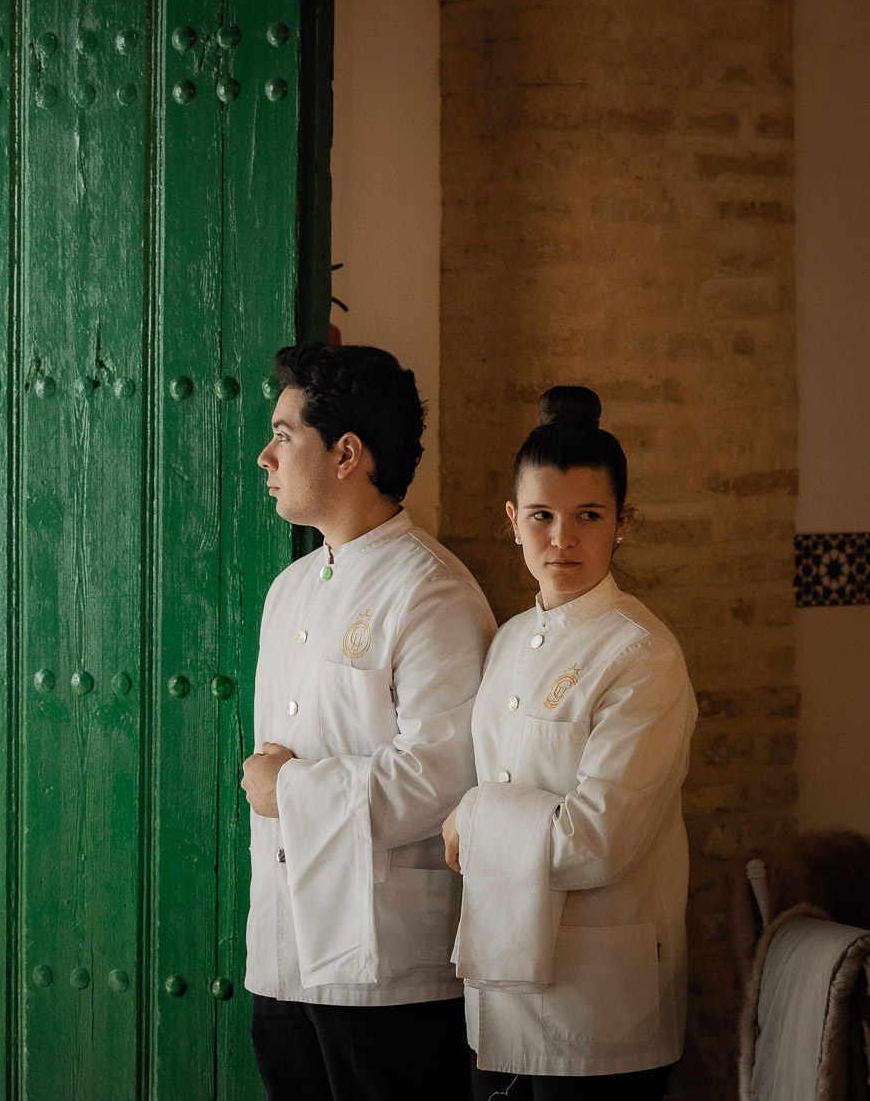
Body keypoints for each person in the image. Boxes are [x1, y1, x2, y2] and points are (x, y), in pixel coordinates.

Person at [240, 343, 496, 1100]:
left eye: (284, 435)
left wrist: (290, 791)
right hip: (283, 957)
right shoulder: (288, 590)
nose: (266, 457)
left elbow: (443, 775)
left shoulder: (433, 593)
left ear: (347, 454)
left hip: (385, 971)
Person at [441, 386, 696, 1100]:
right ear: (512, 520)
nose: (562, 539)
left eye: (588, 516)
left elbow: (599, 840)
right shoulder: (508, 640)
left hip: (600, 1002)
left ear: (623, 522)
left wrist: (472, 818)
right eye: (542, 516)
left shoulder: (642, 655)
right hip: (501, 987)